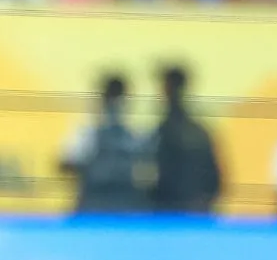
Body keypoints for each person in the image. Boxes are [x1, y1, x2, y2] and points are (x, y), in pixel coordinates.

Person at [60, 74, 153, 215]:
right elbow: (65, 164)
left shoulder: (133, 135)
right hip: (98, 205)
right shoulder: (88, 132)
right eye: (113, 98)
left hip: (120, 206)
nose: (115, 103)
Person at [150, 65, 222, 215]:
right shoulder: (200, 132)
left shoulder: (163, 133)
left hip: (169, 214)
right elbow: (216, 181)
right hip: (196, 213)